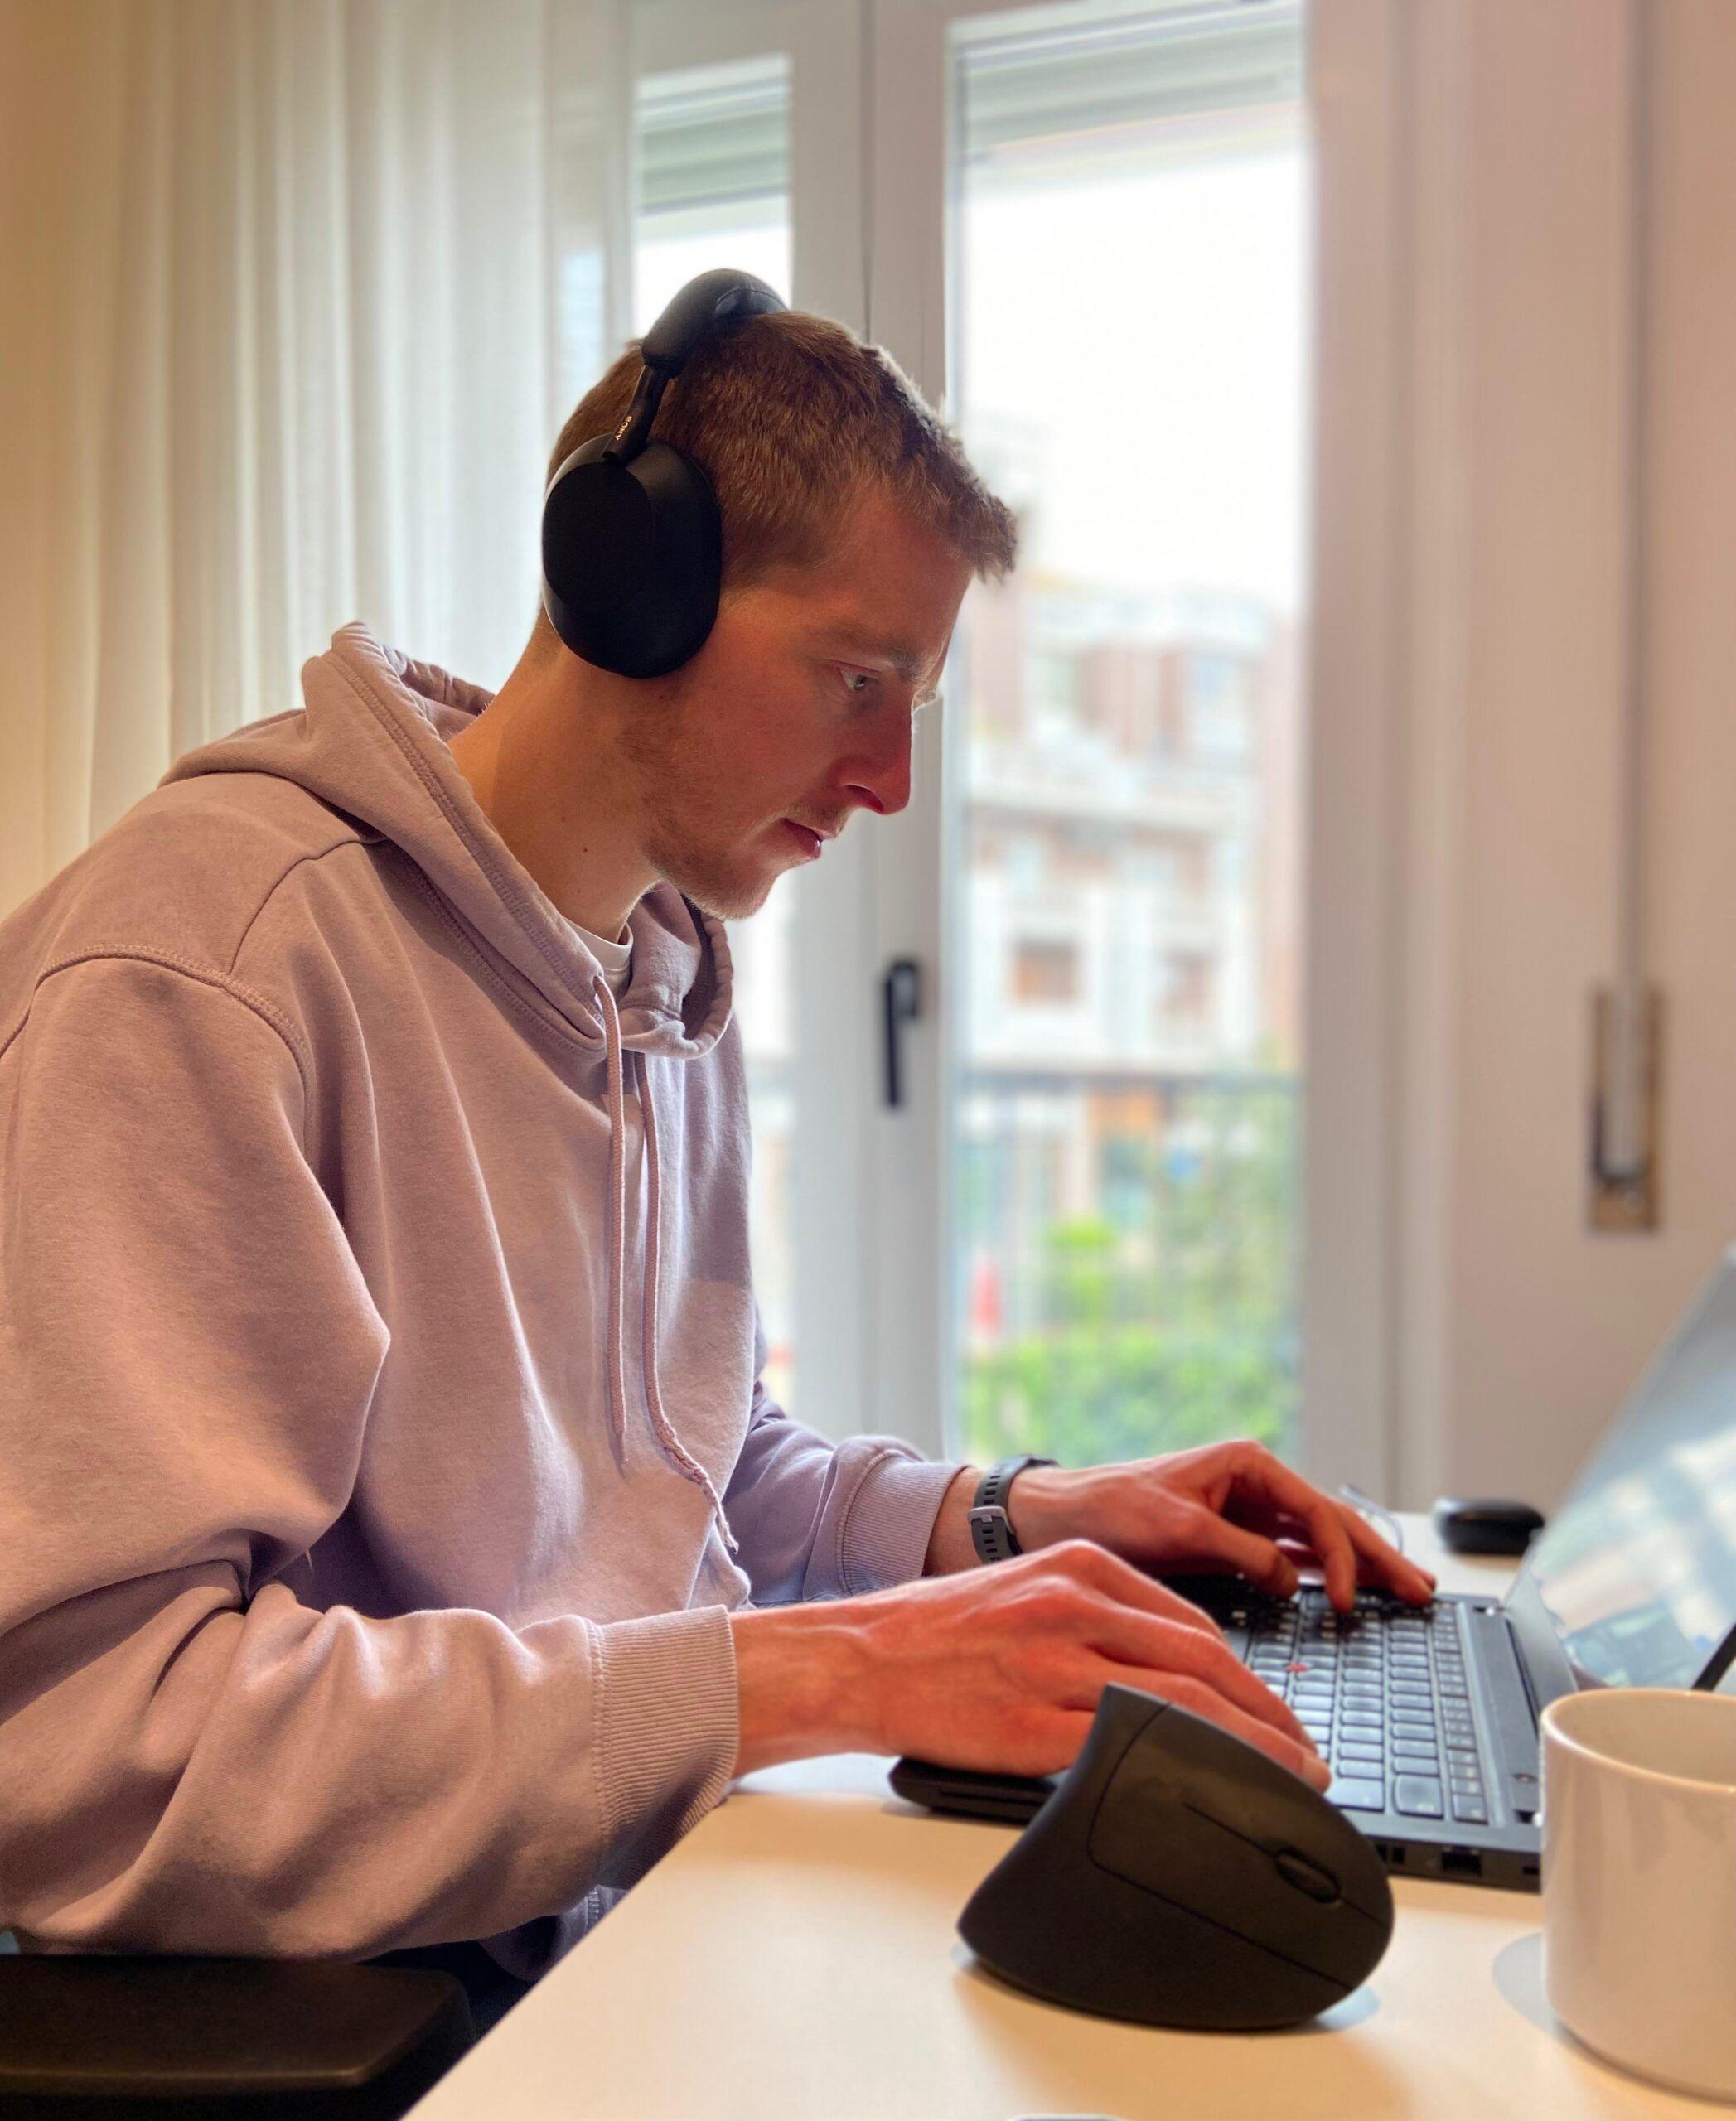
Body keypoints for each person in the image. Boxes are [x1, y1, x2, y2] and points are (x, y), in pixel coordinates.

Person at [0, 303, 1433, 2027]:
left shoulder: (654, 978)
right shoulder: (214, 966)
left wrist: (1009, 1515)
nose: (893, 778)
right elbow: (88, 1746)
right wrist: (824, 1672)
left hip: (647, 1908)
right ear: (630, 577)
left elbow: (678, 1480)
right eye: (857, 678)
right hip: (431, 2013)